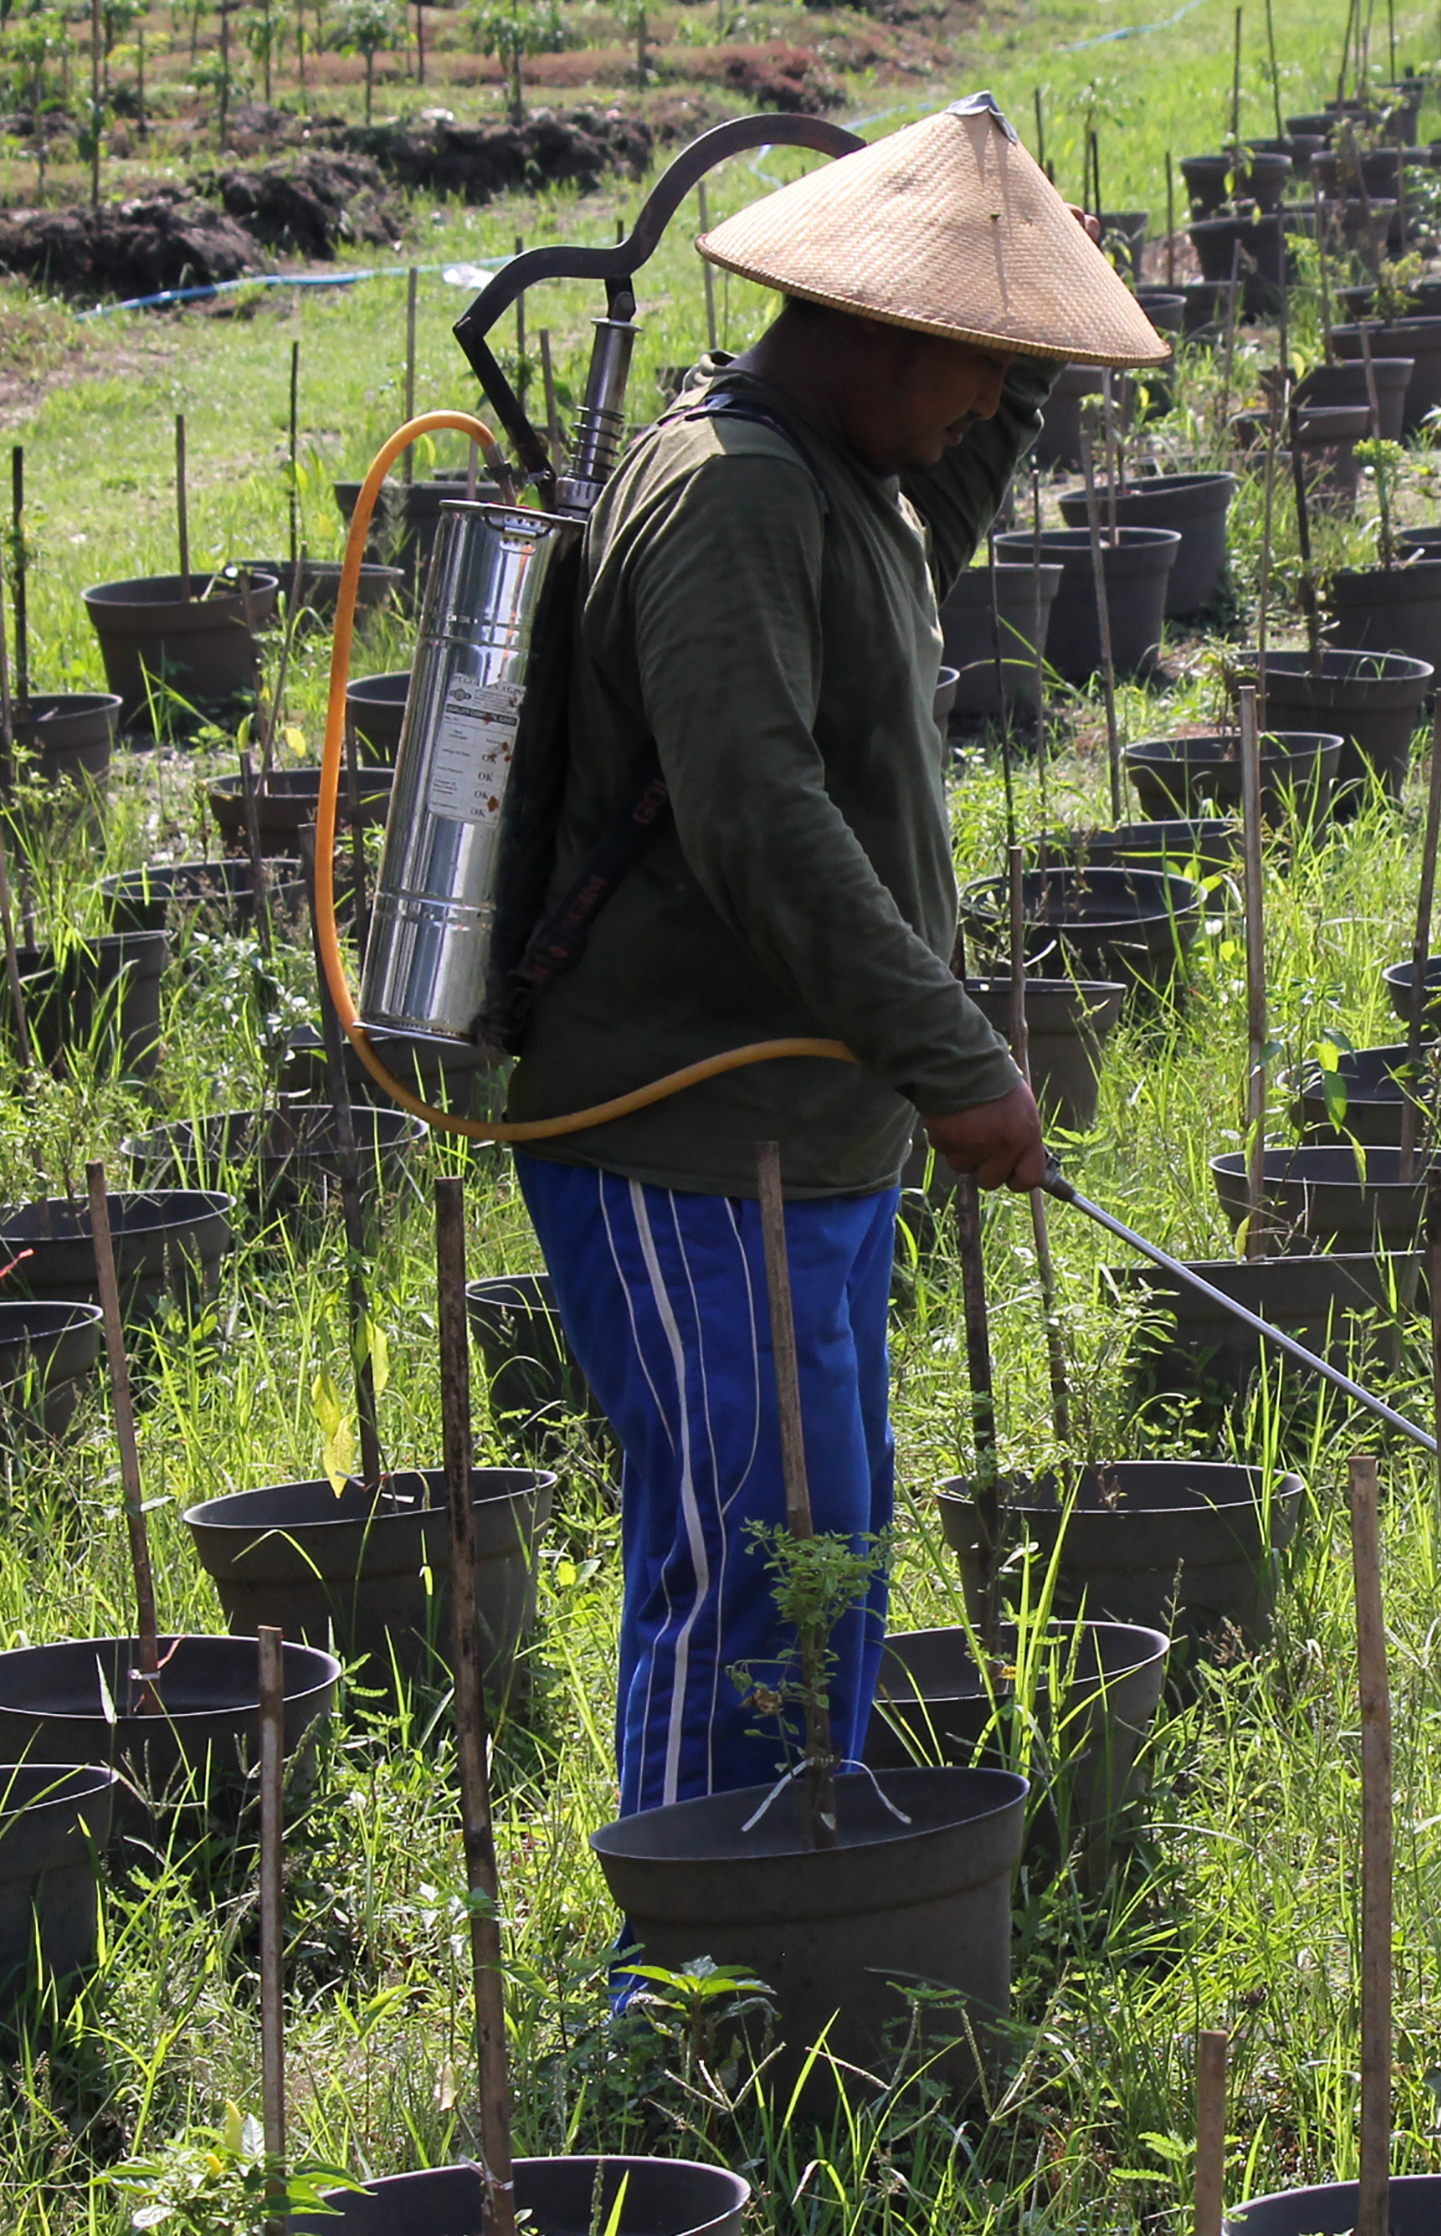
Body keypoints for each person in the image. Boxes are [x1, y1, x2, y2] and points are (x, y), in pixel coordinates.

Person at [501, 97, 1167, 1817]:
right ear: (876, 326)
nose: (979, 405)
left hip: (808, 1137)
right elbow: (755, 810)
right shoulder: (731, 493)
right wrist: (955, 1058)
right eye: (974, 362)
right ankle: (697, 1947)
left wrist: (1030, 348)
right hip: (686, 1136)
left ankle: (801, 1904)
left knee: (821, 1551)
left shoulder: (840, 475)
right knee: (752, 1561)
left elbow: (928, 514)